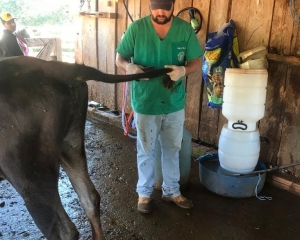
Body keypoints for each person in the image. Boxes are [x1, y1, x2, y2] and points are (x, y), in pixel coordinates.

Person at [115, 0, 203, 214]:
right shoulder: (137, 29)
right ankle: (144, 195)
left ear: (173, 4)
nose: (160, 12)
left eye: (165, 7)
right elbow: (120, 57)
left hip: (173, 100)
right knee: (146, 150)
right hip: (146, 101)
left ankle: (171, 191)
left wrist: (183, 71)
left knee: (172, 149)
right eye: (156, 7)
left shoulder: (184, 30)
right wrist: (130, 66)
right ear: (150, 6)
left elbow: (196, 61)